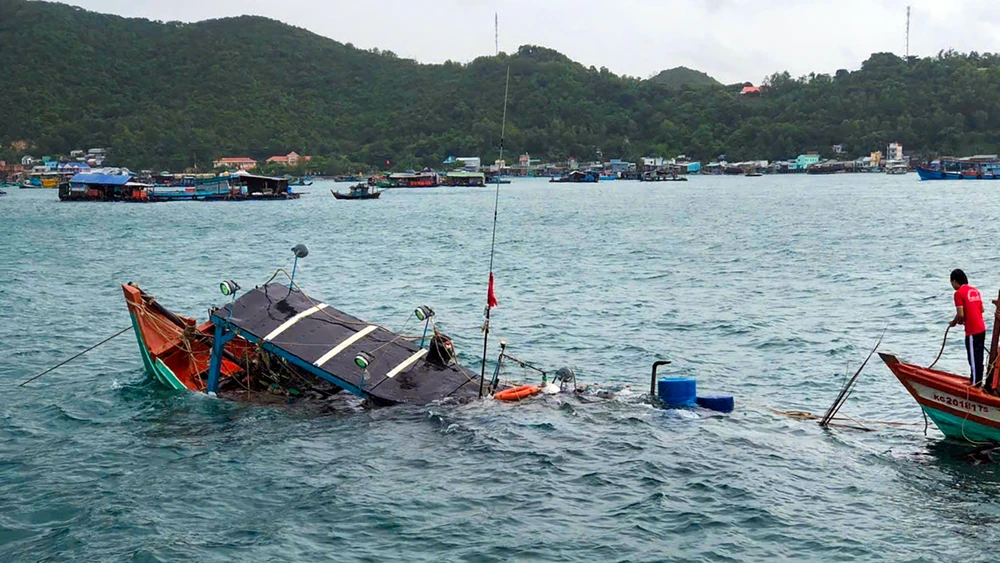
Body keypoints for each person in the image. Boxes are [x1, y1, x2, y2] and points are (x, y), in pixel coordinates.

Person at [949, 269, 987, 386]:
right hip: (981, 328)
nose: (952, 285)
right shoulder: (975, 291)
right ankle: (976, 379)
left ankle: (975, 383)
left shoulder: (958, 293)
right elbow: (981, 310)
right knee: (978, 356)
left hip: (972, 330)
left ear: (955, 281)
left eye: (952, 283)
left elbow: (960, 314)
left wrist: (954, 322)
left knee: (972, 357)